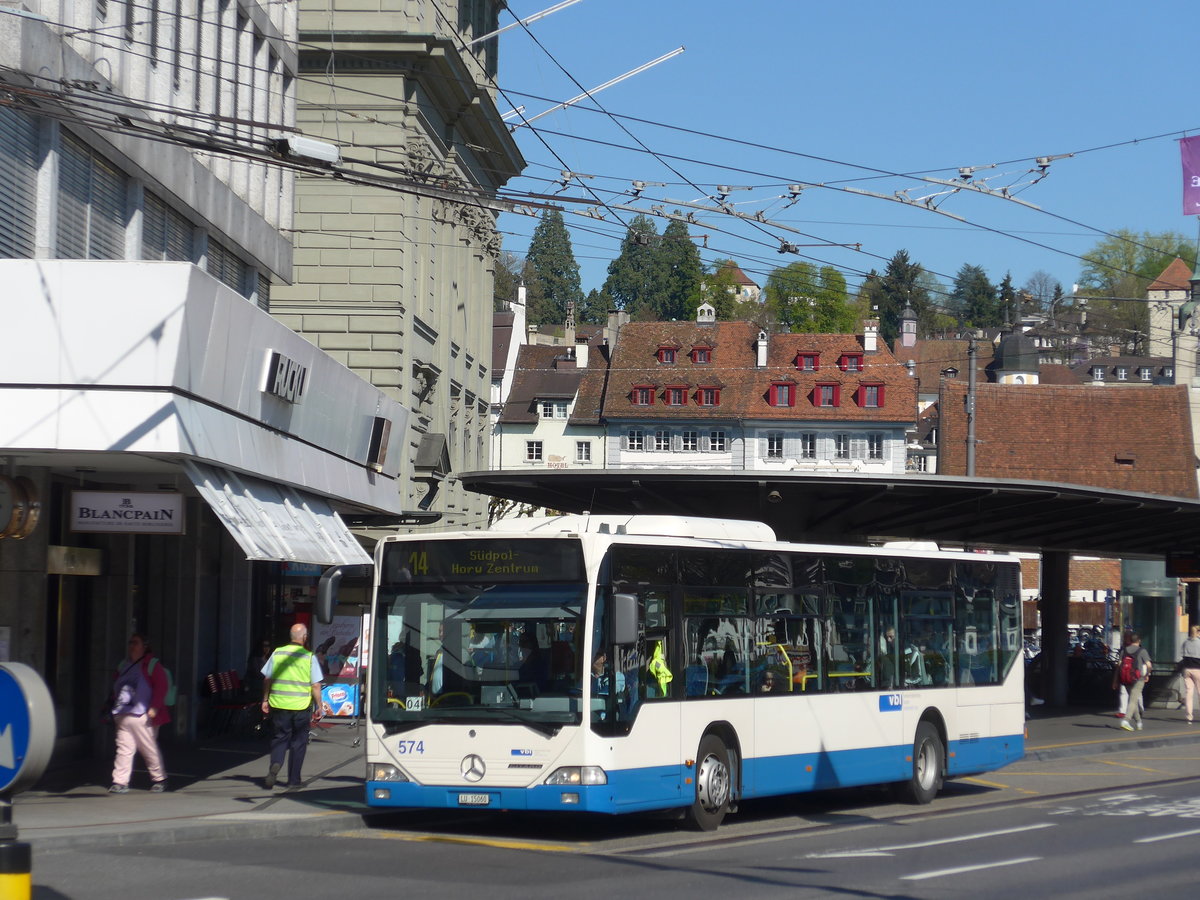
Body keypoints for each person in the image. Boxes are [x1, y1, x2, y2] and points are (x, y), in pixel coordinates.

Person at [261, 623, 324, 789]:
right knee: (299, 742)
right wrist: (320, 706)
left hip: (279, 705)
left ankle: (276, 763)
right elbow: (316, 685)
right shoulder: (309, 657)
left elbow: (267, 679)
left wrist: (265, 700)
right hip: (301, 707)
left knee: (279, 738)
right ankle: (294, 780)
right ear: (304, 638)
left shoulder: (277, 653)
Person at [109, 633, 170, 794]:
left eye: (135, 642)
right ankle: (120, 781)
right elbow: (116, 684)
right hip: (123, 714)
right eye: (130, 642)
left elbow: (161, 686)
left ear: (145, 646)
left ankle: (159, 779)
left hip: (142, 715)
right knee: (124, 749)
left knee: (148, 748)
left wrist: (155, 707)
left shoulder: (152, 665)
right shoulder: (124, 664)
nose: (132, 645)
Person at [1119, 632, 1151, 733]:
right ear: (1139, 641)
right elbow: (1149, 665)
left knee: (1133, 700)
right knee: (1133, 700)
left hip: (1126, 678)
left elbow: (1119, 665)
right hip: (1138, 678)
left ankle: (1139, 722)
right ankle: (1126, 720)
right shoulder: (1142, 651)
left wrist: (1116, 680)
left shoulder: (1124, 650)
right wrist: (1147, 675)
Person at [1112, 630, 1144, 720]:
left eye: (1127, 637)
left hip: (1135, 674)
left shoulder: (1138, 649)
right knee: (1124, 692)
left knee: (1137, 694)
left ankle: (1139, 709)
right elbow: (1120, 664)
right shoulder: (1124, 649)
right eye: (1124, 637)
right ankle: (1123, 711)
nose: (1125, 639)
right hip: (1125, 673)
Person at [1179, 625, 1200, 723]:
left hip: (1187, 669)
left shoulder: (1185, 642)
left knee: (1189, 693)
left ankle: (1189, 717)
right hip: (1198, 670)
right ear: (1198, 632)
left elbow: (1183, 656)